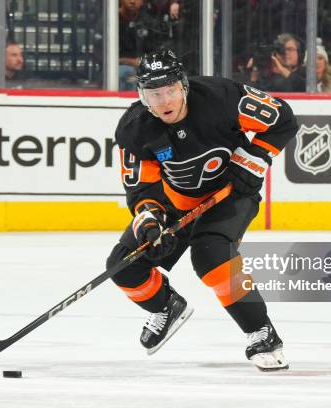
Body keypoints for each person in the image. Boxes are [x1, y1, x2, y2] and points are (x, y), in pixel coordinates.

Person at [107, 50, 297, 371]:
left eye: (170, 90)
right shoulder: (135, 128)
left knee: (211, 257)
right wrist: (150, 221)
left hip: (230, 194)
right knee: (123, 267)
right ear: (142, 95)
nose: (164, 101)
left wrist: (253, 159)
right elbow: (142, 188)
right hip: (175, 202)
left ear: (183, 86)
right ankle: (166, 306)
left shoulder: (221, 97)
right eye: (154, 94)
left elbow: (283, 119)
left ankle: (261, 332)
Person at [118, 0, 157, 90]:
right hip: (118, 70)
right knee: (125, 73)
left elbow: (155, 51)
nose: (132, 1)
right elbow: (101, 56)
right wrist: (126, 61)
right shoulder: (110, 20)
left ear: (143, 1)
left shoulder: (148, 22)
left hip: (144, 68)